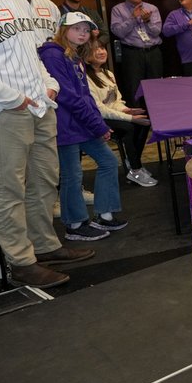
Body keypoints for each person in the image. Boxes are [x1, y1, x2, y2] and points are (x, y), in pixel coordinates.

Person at [0, 0, 88, 286]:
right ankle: (21, 262)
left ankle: (44, 244)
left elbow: (31, 55)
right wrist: (14, 98)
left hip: (39, 106)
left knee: (43, 181)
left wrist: (49, 84)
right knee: (8, 190)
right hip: (2, 112)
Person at [40, 12, 126, 241]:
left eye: (86, 30)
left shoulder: (75, 55)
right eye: (76, 28)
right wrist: (97, 126)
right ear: (63, 29)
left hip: (82, 123)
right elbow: (68, 97)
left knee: (108, 161)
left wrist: (97, 123)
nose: (82, 34)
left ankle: (105, 215)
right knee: (72, 174)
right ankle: (75, 224)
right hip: (65, 125)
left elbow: (85, 95)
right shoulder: (53, 54)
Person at [84, 39, 155, 187]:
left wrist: (125, 110)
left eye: (102, 48)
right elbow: (100, 109)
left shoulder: (108, 74)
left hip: (112, 114)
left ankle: (133, 160)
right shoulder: (86, 78)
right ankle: (135, 169)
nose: (101, 52)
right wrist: (130, 118)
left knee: (144, 122)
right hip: (98, 118)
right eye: (96, 49)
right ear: (86, 55)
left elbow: (116, 100)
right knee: (129, 127)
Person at [109, 0, 163, 106]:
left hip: (153, 52)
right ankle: (138, 117)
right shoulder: (118, 9)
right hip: (132, 53)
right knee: (133, 88)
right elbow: (118, 32)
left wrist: (147, 21)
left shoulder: (152, 8)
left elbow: (157, 32)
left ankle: (156, 115)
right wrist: (133, 18)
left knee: (156, 86)